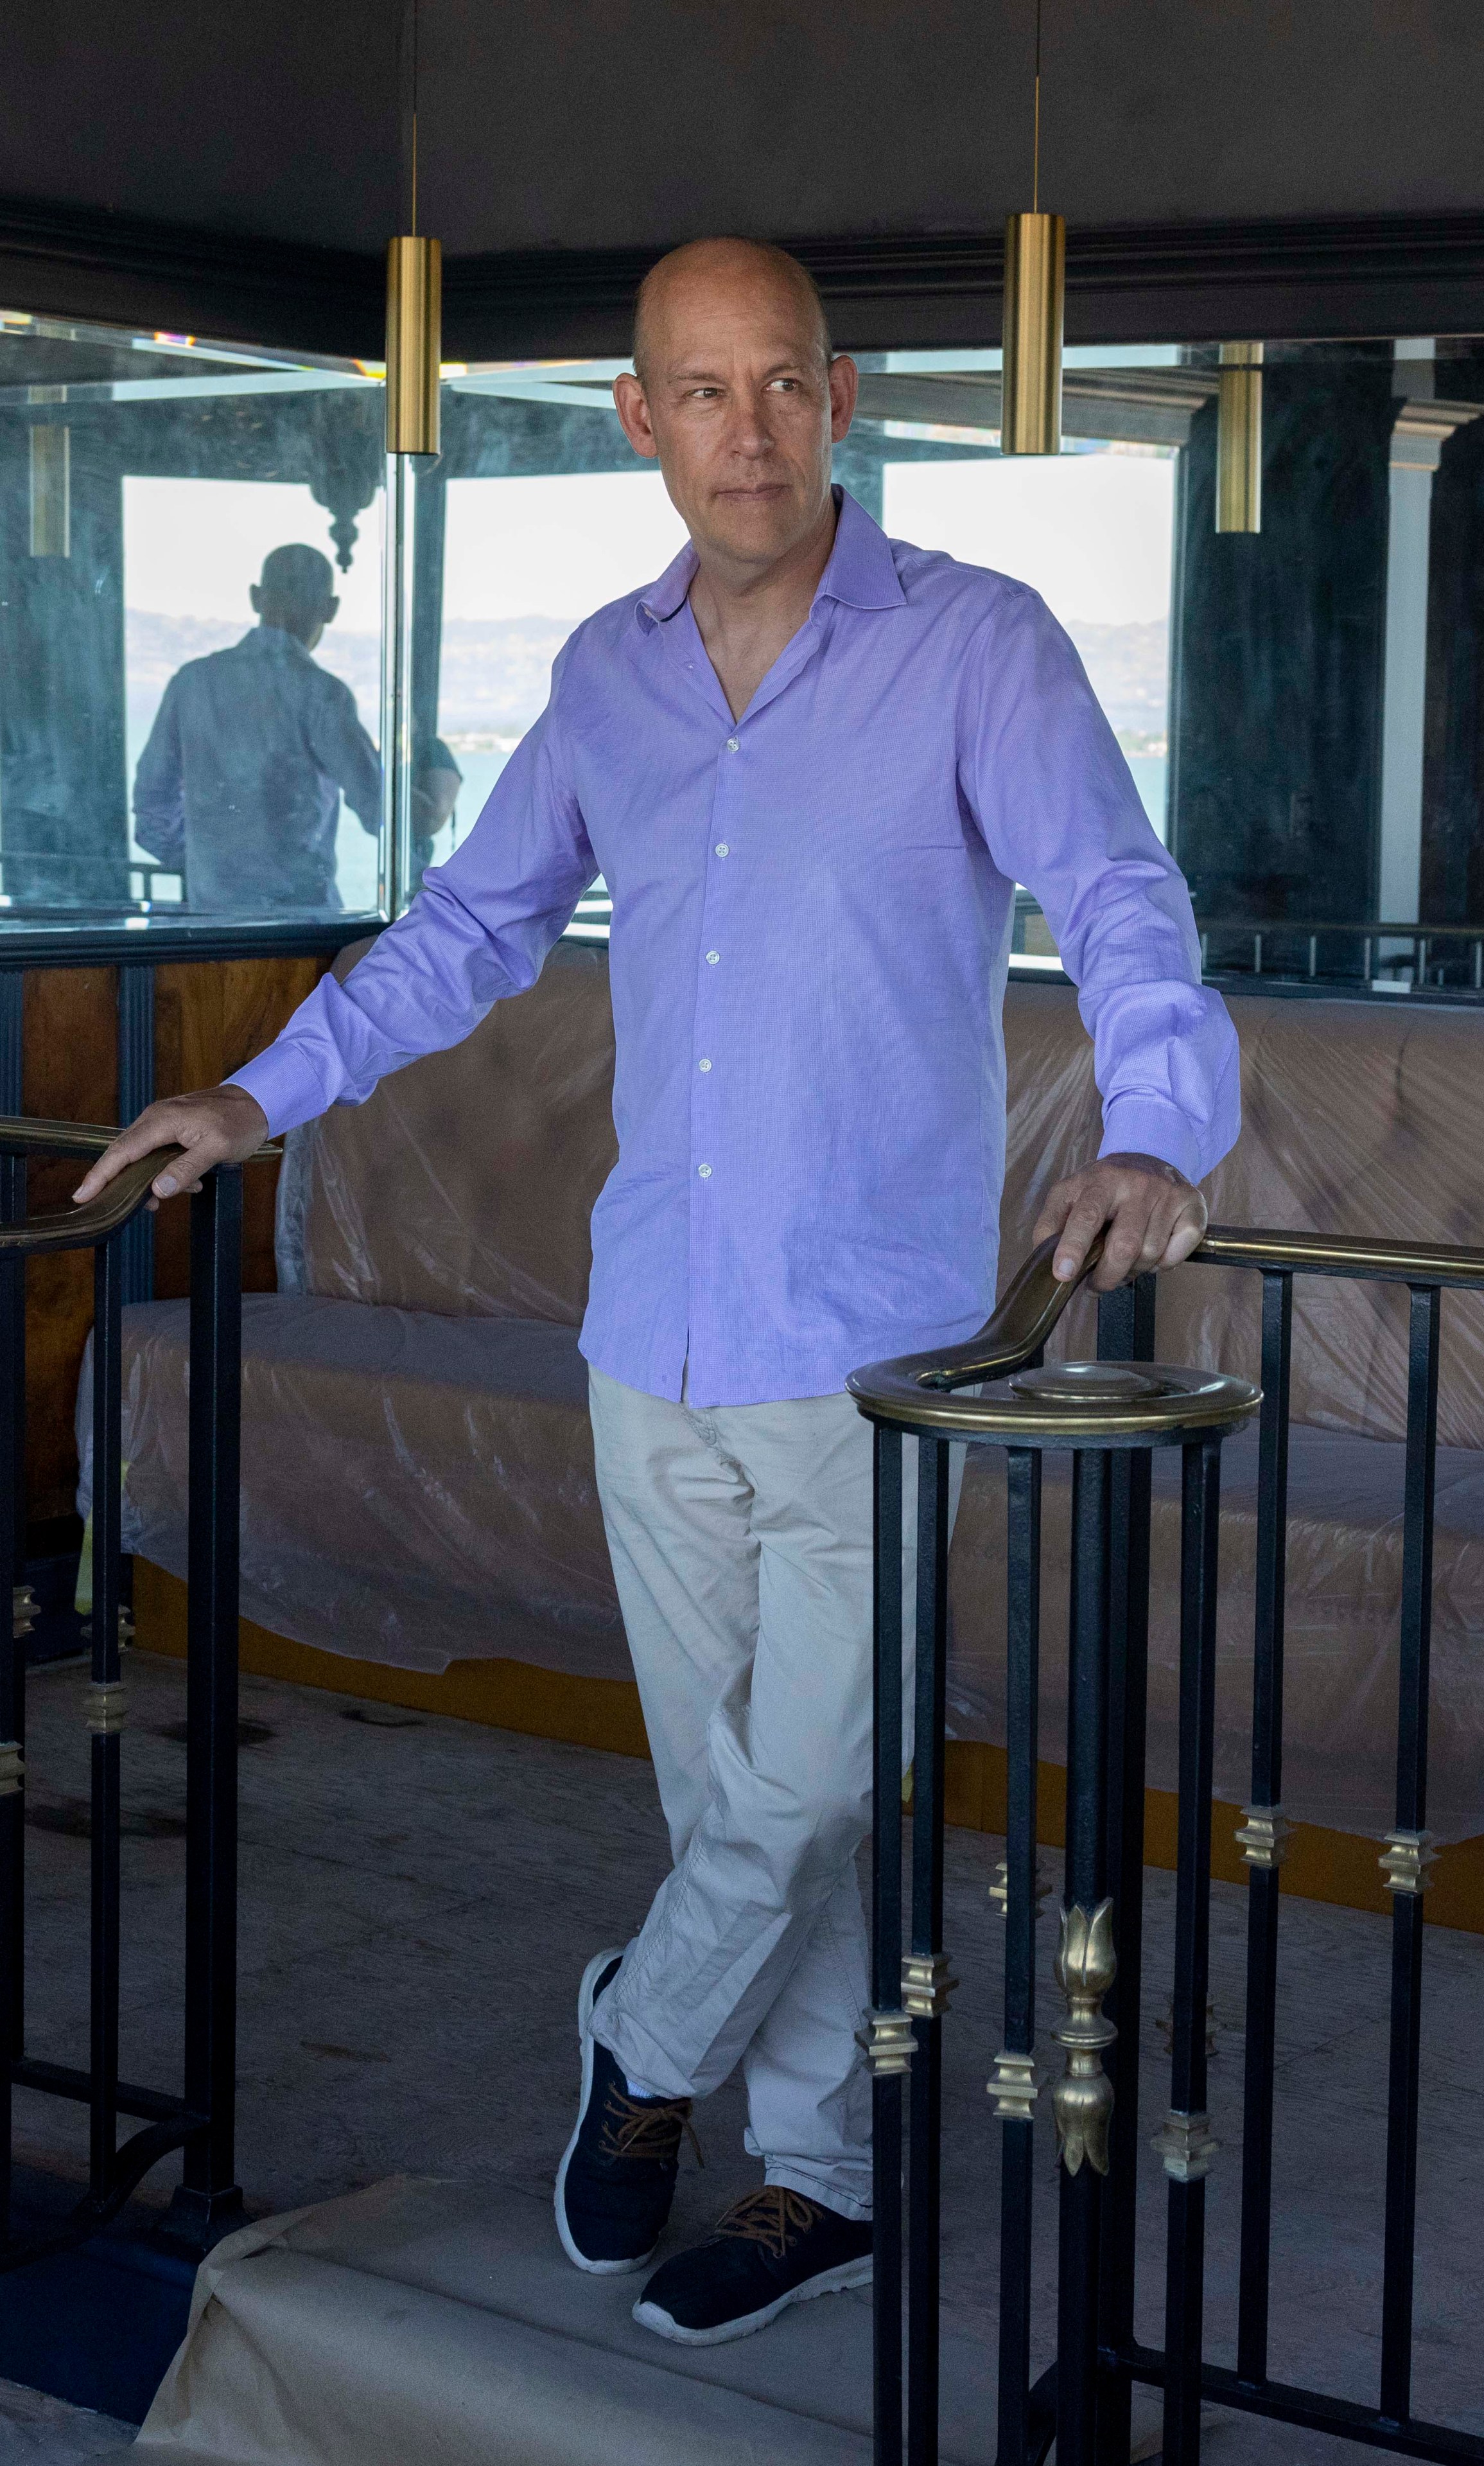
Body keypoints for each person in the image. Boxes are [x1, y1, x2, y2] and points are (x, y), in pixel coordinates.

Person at [78, 237, 1237, 2346]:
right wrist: (253, 1094)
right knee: (735, 1797)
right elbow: (466, 923)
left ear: (841, 396)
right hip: (652, 1333)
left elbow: (1121, 896)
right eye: (700, 392)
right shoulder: (606, 675)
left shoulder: (975, 645)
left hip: (879, 1351)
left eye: (781, 383)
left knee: (805, 1783)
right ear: (638, 417)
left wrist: (1156, 1123)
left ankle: (643, 2032)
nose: (748, 432)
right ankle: (824, 2178)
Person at [130, 543, 384, 912]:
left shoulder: (192, 683)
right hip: (303, 931)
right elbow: (380, 809)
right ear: (330, 609)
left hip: (209, 926)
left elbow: (152, 809)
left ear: (255, 598)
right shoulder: (322, 695)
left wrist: (212, 868)